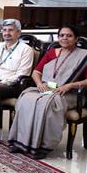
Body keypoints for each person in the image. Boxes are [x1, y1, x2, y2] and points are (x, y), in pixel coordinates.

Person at [9, 25, 87, 159]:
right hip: (47, 89)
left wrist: (70, 85)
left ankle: (43, 145)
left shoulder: (83, 56)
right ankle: (21, 141)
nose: (64, 38)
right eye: (61, 35)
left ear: (76, 39)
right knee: (27, 98)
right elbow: (36, 72)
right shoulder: (52, 52)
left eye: (69, 35)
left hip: (70, 94)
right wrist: (39, 84)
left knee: (47, 104)